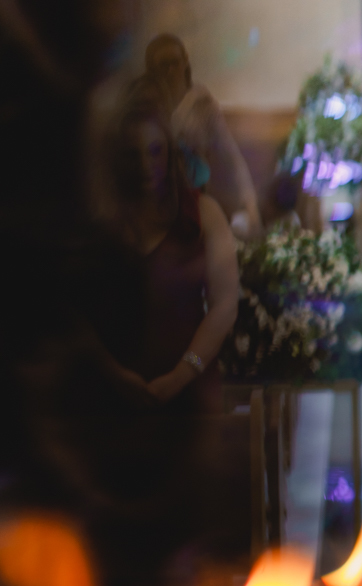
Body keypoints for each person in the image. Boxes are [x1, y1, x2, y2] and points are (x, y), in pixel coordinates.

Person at [105, 77, 240, 412]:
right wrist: (114, 375)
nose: (146, 166)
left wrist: (182, 374)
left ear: (168, 151)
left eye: (155, 152)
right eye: (134, 154)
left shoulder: (202, 214)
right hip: (119, 392)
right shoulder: (108, 221)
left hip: (191, 390)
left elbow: (225, 304)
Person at [145, 34, 262, 239]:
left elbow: (230, 156)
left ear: (185, 62)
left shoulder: (203, 104)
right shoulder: (147, 106)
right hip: (155, 202)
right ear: (153, 70)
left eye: (175, 62)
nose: (171, 71)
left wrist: (248, 201)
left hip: (195, 199)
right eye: (164, 65)